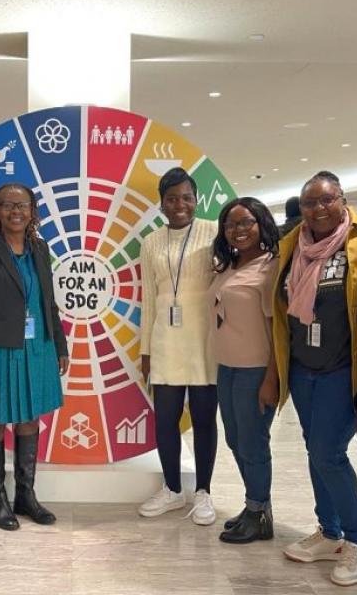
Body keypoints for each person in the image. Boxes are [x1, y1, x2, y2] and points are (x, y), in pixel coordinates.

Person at [271, 170, 357, 586]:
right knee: (312, 449)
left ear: (342, 199)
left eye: (327, 200)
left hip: (343, 368)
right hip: (302, 368)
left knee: (329, 453)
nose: (318, 209)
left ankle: (356, 539)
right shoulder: (291, 245)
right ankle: (330, 531)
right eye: (309, 203)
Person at [0, 183, 69, 530]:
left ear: (32, 212)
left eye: (22, 205)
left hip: (37, 346)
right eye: (8, 205)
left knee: (29, 418)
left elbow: (47, 302)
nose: (15, 212)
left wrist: (60, 345)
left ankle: (26, 494)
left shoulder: (40, 249)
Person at [138, 167, 218, 525]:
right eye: (172, 198)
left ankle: (203, 492)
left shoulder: (214, 232)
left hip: (205, 343)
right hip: (165, 342)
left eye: (186, 197)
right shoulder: (151, 242)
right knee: (165, 421)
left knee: (204, 421)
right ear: (162, 203)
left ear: (196, 199)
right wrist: (145, 350)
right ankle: (172, 489)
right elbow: (150, 301)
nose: (180, 204)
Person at [208, 197, 281, 544]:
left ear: (261, 224)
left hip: (256, 369)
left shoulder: (271, 267)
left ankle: (259, 514)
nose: (238, 230)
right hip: (227, 366)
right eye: (231, 224)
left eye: (246, 222)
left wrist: (272, 378)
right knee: (236, 440)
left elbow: (276, 329)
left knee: (253, 442)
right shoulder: (229, 266)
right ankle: (255, 505)